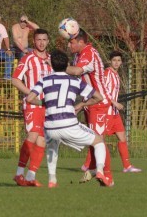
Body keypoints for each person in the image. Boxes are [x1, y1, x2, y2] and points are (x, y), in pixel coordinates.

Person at [25, 49, 113, 188]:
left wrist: (45, 103)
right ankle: (100, 171)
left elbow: (30, 98)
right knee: (98, 141)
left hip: (51, 126)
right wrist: (82, 104)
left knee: (52, 147)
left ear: (51, 65)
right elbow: (99, 97)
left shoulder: (45, 80)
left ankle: (52, 180)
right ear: (67, 64)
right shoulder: (75, 81)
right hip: (69, 124)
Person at [81, 51, 142, 174]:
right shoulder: (107, 74)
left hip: (114, 114)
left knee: (122, 137)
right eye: (114, 60)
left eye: (119, 60)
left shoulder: (116, 74)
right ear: (110, 61)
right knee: (99, 138)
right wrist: (115, 103)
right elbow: (104, 92)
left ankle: (127, 166)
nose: (117, 63)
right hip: (107, 111)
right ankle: (87, 164)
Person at [65, 29, 114, 183]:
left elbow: (77, 71)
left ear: (81, 42)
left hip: (99, 103)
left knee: (98, 141)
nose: (68, 44)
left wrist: (57, 65)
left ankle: (108, 177)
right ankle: (94, 170)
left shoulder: (88, 52)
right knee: (93, 141)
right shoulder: (78, 55)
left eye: (71, 42)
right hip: (89, 103)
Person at [10, 28, 52, 186]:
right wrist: (31, 94)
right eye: (38, 40)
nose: (41, 43)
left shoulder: (51, 59)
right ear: (34, 41)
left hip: (47, 105)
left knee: (42, 141)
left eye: (44, 40)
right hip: (32, 104)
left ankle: (31, 176)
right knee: (33, 136)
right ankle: (19, 174)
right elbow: (15, 79)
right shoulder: (28, 58)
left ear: (48, 41)